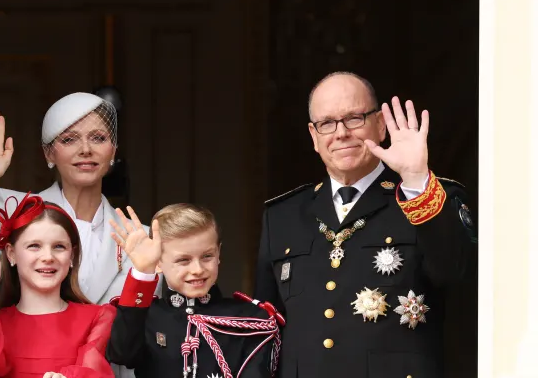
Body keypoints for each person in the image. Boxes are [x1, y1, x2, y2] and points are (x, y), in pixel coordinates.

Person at [254, 72, 477, 378]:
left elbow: (455, 274)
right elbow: (264, 331)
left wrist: (415, 179)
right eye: (327, 123)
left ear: (381, 124)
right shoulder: (282, 216)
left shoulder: (426, 195)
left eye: (354, 118)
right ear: (313, 136)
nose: (341, 133)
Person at [0, 92, 150, 377]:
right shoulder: (12, 210)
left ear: (113, 151)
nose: (86, 150)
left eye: (98, 138)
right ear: (48, 153)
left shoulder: (142, 240)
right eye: (69, 140)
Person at [106, 204, 284, 378]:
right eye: (183, 260)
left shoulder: (251, 319)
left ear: (219, 253)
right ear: (158, 262)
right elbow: (121, 354)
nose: (197, 269)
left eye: (207, 256)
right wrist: (143, 272)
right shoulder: (145, 317)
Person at [0, 193, 116, 378]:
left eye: (59, 246)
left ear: (72, 256)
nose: (48, 257)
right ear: (11, 254)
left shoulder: (97, 318)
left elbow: (94, 372)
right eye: (34, 246)